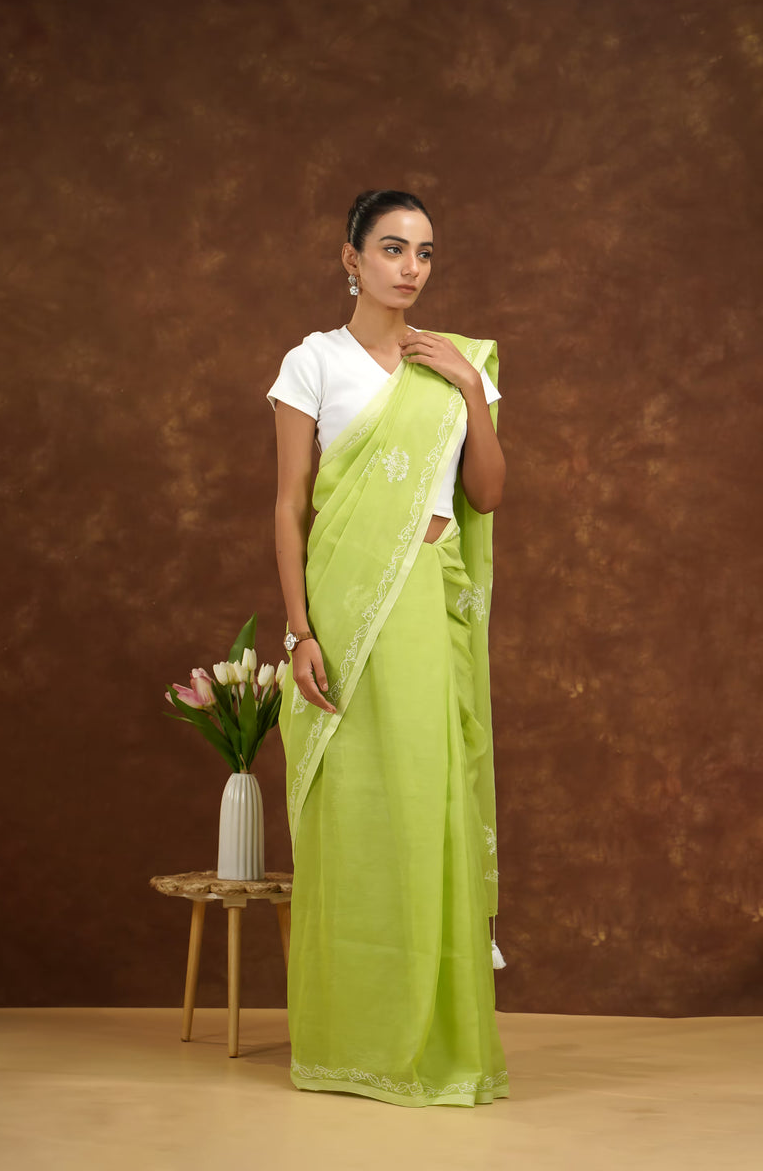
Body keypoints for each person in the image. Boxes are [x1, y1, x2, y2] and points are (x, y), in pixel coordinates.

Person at [266, 189, 509, 1107]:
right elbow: (291, 505)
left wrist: (471, 390)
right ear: (352, 259)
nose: (412, 267)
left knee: (428, 805)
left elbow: (488, 494)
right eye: (394, 248)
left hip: (426, 608)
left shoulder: (458, 363)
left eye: (426, 252)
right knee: (355, 818)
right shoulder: (312, 362)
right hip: (343, 609)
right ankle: (349, 1044)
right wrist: (300, 629)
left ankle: (434, 1044)